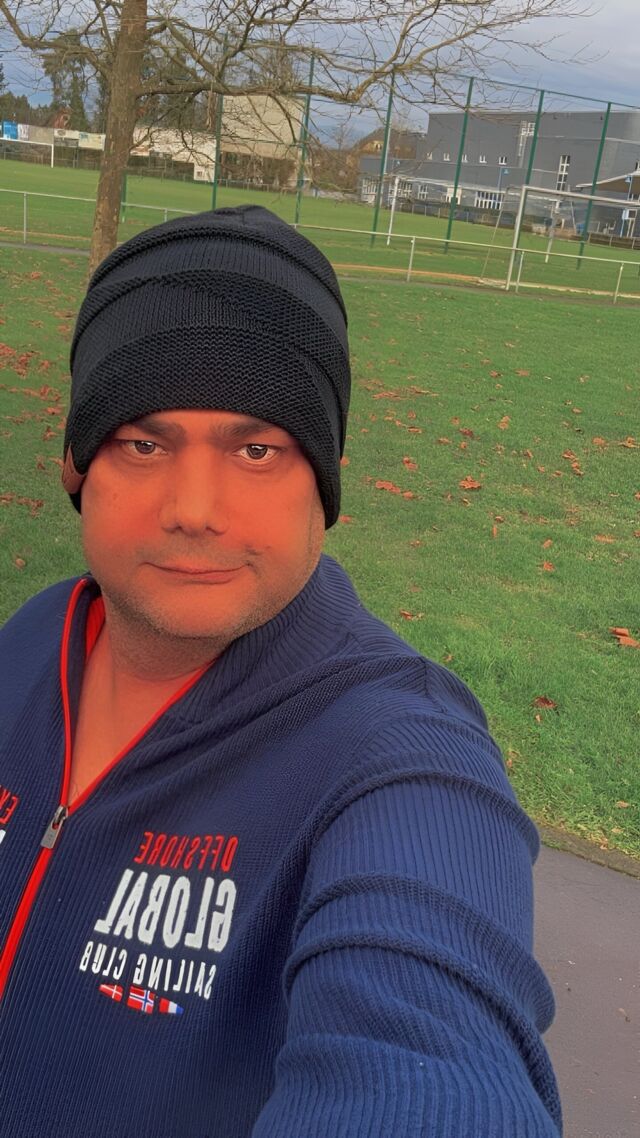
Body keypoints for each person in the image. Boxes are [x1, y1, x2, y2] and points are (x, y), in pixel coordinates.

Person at [0, 205, 562, 1137]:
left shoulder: (397, 755)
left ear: (326, 479)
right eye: (143, 442)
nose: (194, 508)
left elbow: (428, 1053)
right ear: (75, 464)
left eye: (257, 449)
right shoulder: (29, 640)